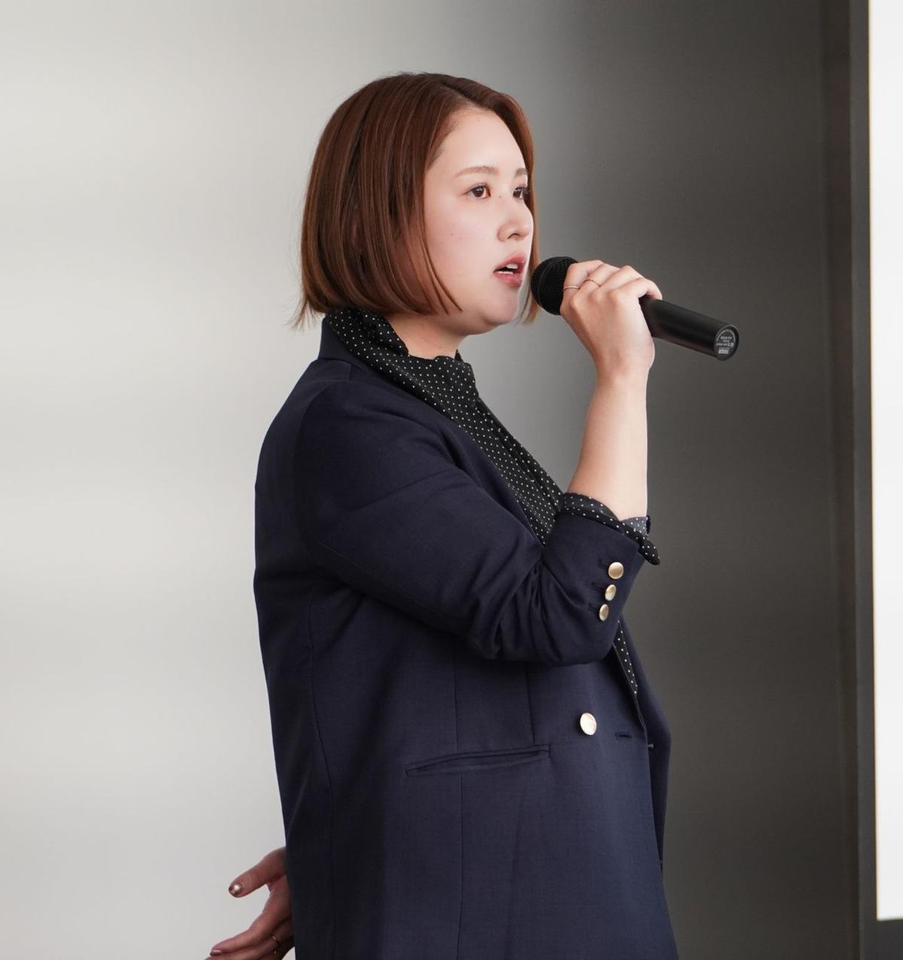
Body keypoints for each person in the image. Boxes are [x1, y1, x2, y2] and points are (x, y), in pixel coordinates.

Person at [210, 71, 677, 959]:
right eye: (478, 191)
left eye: (521, 190)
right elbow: (560, 614)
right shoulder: (347, 427)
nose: (519, 223)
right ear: (379, 216)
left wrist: (353, 839)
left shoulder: (438, 412)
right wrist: (622, 378)